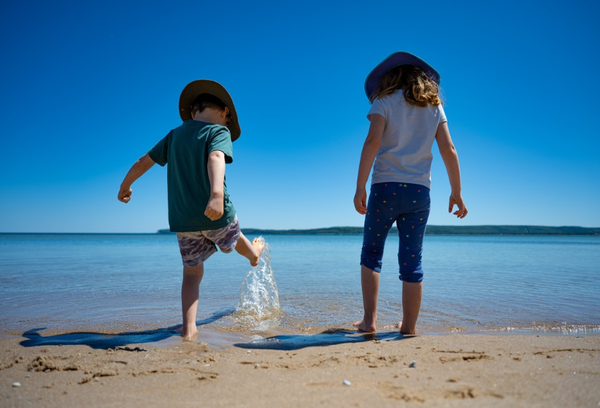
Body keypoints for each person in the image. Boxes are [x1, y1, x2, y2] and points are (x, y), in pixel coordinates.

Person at [118, 80, 264, 340]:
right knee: (235, 236)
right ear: (225, 114)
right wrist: (216, 194)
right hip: (216, 213)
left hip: (184, 220)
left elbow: (143, 161)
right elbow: (216, 157)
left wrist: (125, 185)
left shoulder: (173, 136)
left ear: (193, 110)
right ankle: (253, 256)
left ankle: (189, 327)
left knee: (192, 274)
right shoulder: (218, 132)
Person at [353, 52, 468, 335]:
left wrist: (360, 185)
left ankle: (369, 322)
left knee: (371, 254)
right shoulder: (434, 108)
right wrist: (457, 191)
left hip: (385, 188)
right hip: (419, 192)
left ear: (389, 78)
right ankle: (409, 327)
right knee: (412, 259)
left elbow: (373, 141)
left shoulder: (384, 101)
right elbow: (448, 149)